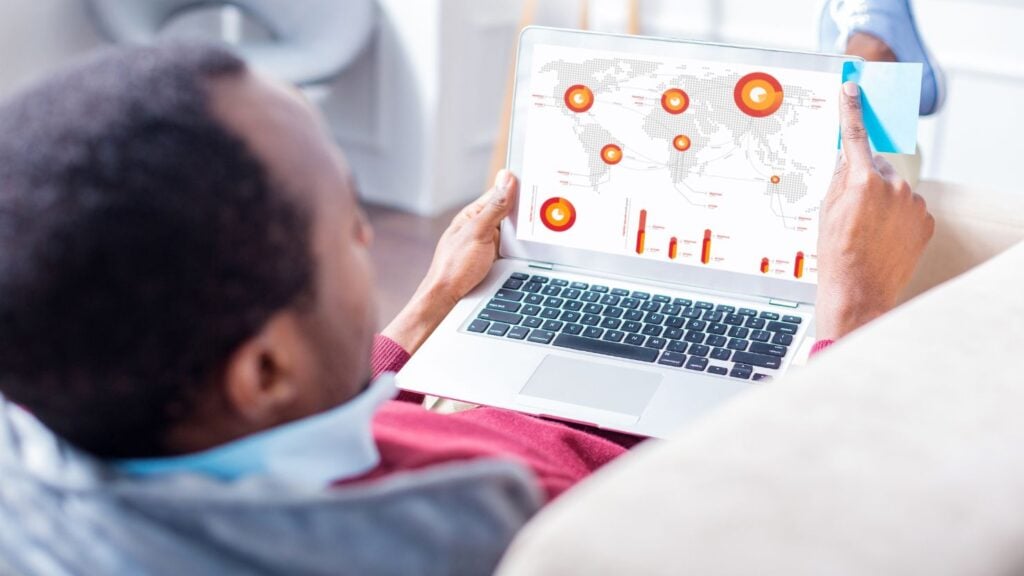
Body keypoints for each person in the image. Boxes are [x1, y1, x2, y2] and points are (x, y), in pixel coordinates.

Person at [0, 2, 933, 569]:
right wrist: (852, 313)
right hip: (676, 448)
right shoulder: (491, 532)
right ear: (266, 367)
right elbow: (796, 528)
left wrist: (432, 302)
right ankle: (872, 48)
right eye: (347, 221)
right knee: (866, 174)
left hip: (477, 402)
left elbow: (282, 417)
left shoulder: (93, 452)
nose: (372, 231)